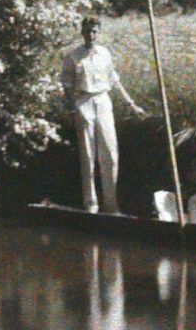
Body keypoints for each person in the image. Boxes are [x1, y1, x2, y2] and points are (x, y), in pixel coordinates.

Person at [59, 15, 144, 214]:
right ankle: (91, 203)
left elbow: (115, 81)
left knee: (110, 152)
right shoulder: (73, 56)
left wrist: (131, 104)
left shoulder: (105, 54)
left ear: (99, 32)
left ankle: (111, 203)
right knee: (88, 155)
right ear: (82, 32)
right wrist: (72, 109)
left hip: (103, 101)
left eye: (95, 31)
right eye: (88, 31)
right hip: (83, 101)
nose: (91, 35)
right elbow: (66, 87)